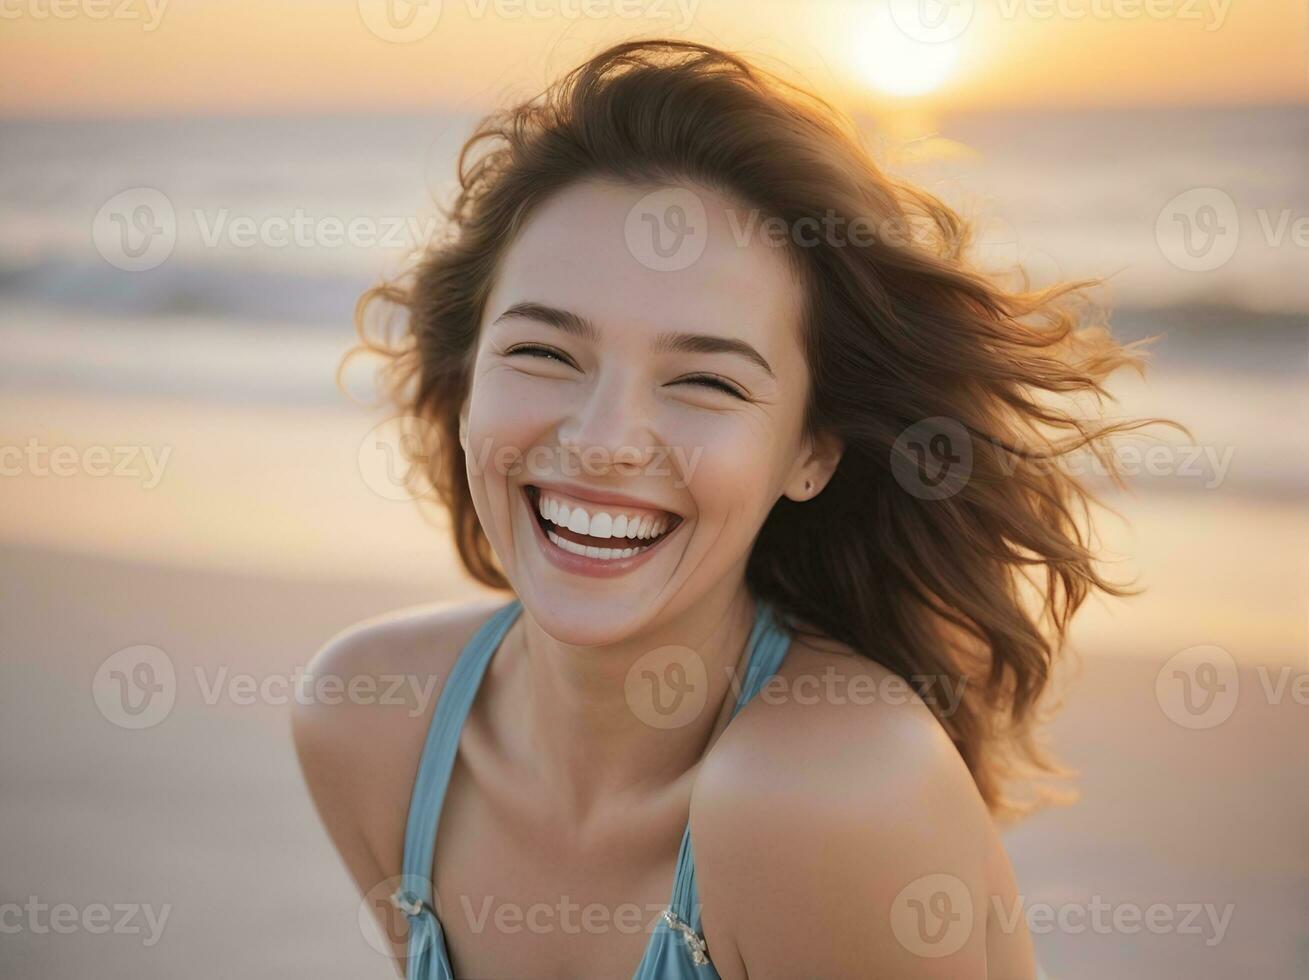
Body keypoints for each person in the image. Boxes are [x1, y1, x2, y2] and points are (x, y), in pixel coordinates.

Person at [294, 38, 1147, 978]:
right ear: (464, 382)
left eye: (704, 380)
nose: (605, 438)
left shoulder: (830, 797)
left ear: (811, 449)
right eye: (542, 352)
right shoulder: (372, 721)